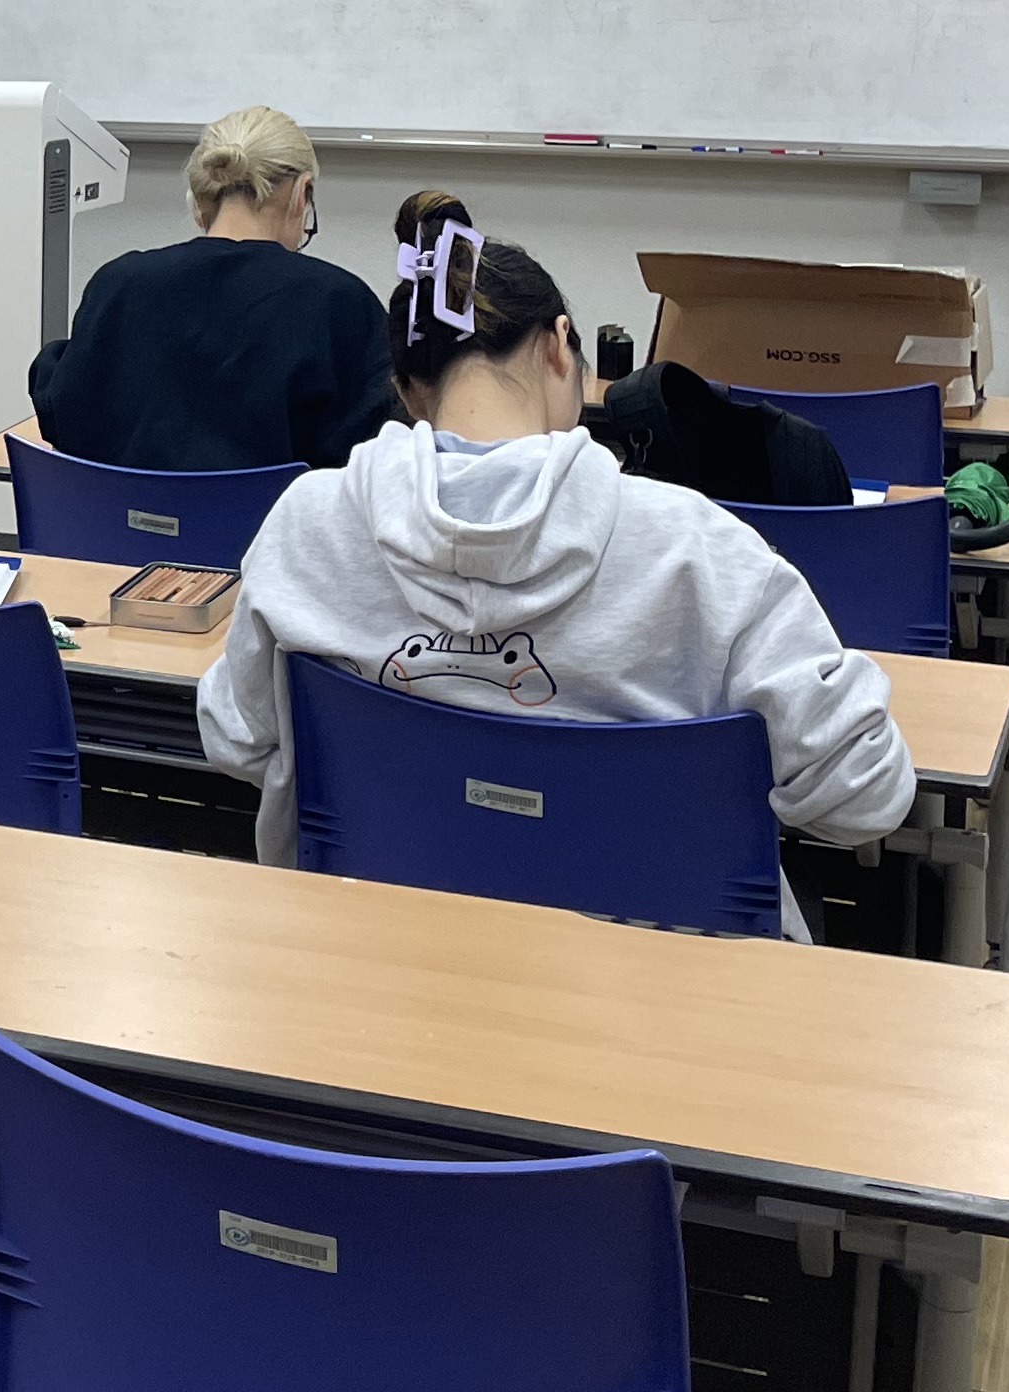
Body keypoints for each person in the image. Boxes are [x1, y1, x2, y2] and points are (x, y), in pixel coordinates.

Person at [198, 189, 913, 924]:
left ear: (409, 391)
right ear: (558, 345)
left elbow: (237, 738)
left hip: (383, 948)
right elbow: (865, 798)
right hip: (655, 977)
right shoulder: (698, 548)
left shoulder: (307, 526)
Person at [28, 104, 392, 472]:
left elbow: (62, 410)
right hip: (267, 513)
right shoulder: (341, 303)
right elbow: (371, 452)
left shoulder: (120, 284)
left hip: (118, 511)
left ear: (199, 195)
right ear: (302, 192)